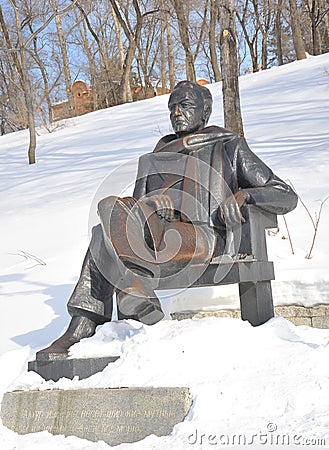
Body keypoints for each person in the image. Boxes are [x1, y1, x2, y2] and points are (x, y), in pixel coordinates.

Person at [37, 81, 297, 359]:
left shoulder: (229, 147)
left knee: (102, 236)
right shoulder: (153, 159)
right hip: (156, 241)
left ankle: (90, 320)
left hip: (205, 238)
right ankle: (110, 304)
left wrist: (244, 195)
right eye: (172, 107)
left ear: (205, 112)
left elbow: (285, 195)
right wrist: (149, 204)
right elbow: (130, 212)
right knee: (107, 209)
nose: (176, 113)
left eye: (184, 106)